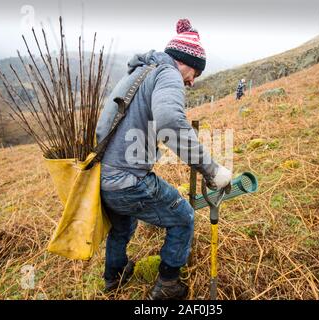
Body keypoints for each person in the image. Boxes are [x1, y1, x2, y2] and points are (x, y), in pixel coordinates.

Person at [95, 18, 232, 300]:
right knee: (183, 217)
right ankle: (168, 284)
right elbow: (170, 123)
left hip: (103, 176)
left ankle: (114, 277)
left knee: (123, 224)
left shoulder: (138, 73)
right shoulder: (168, 74)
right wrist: (211, 170)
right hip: (128, 179)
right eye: (196, 72)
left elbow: (103, 124)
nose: (192, 82)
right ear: (185, 61)